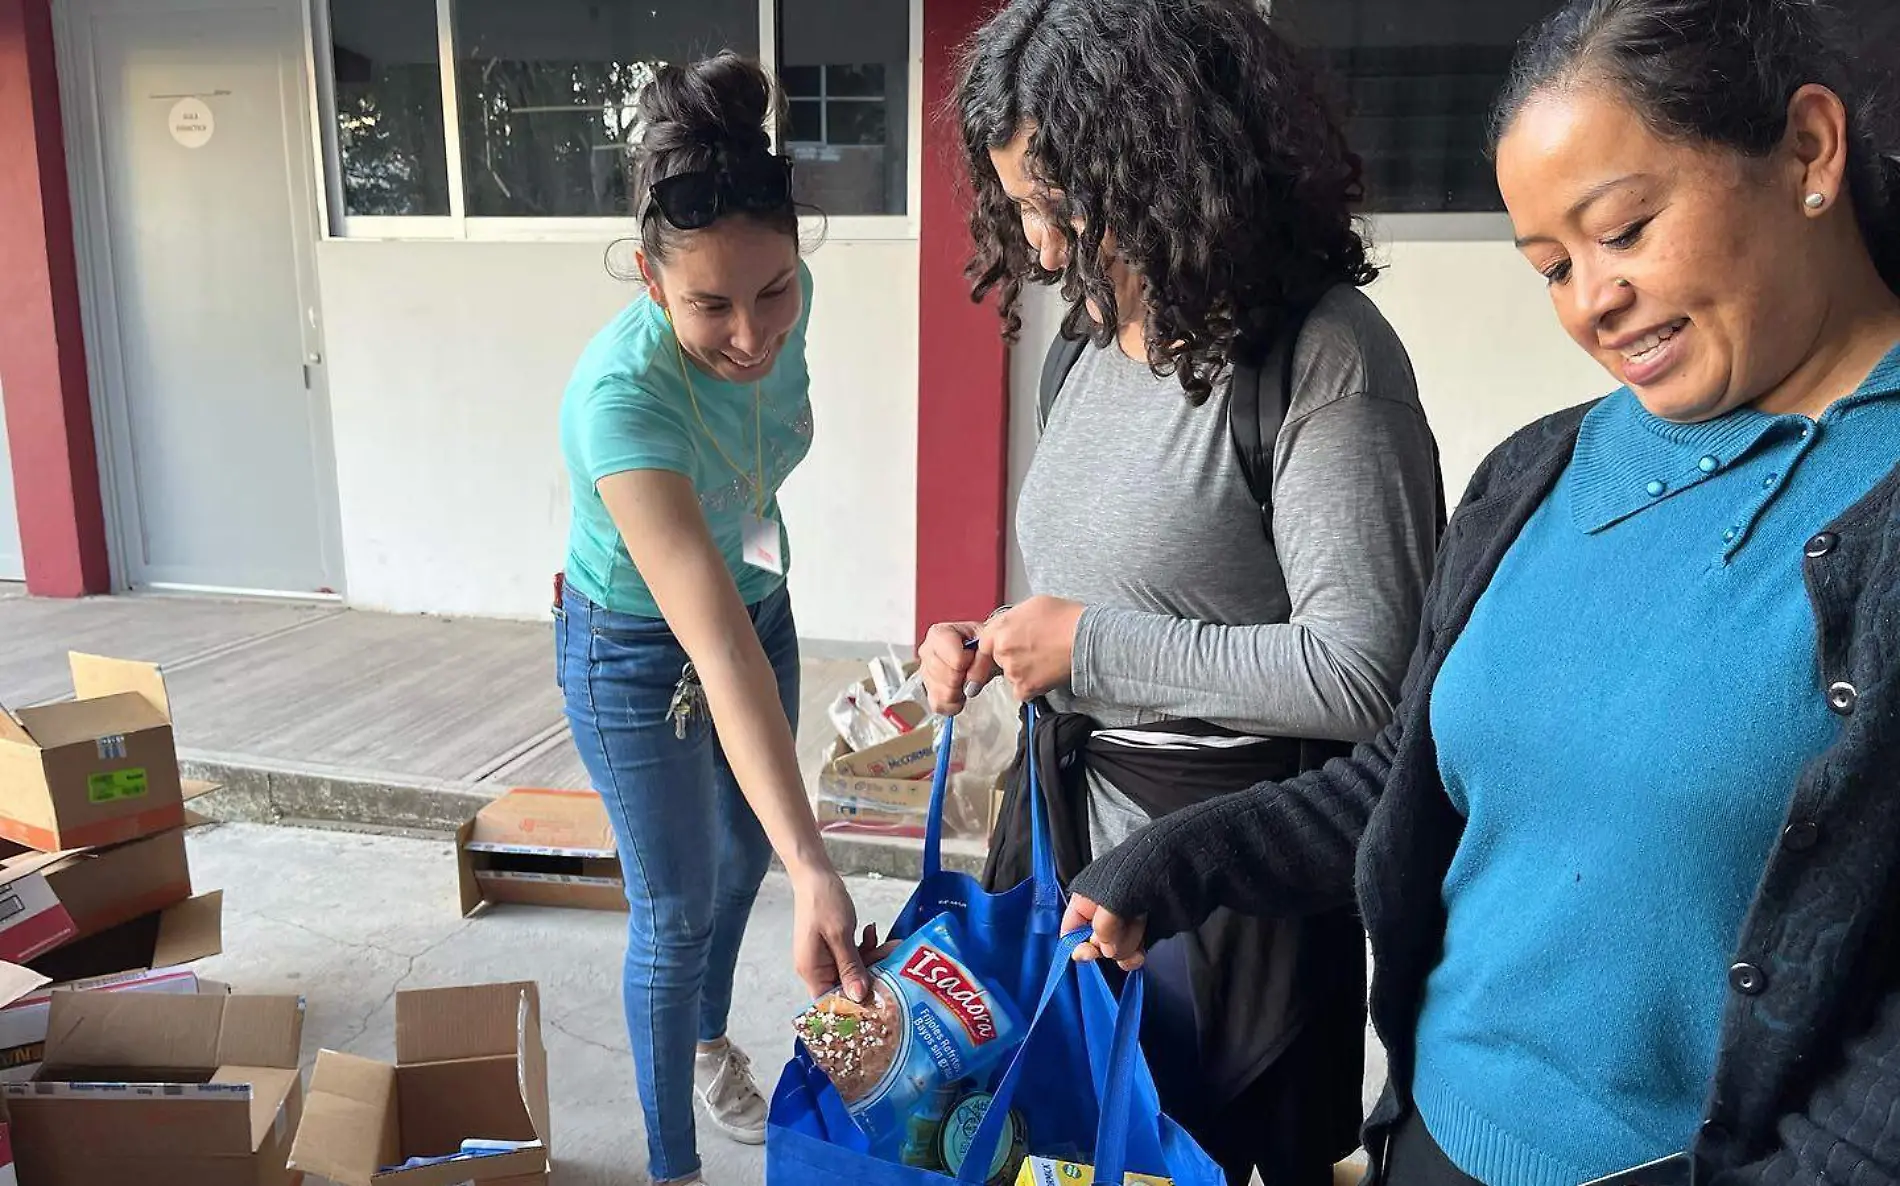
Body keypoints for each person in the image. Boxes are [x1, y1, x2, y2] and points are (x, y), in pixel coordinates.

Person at [1062, 0, 1900, 1181]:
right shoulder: (1536, 471)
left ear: (1808, 151)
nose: (1590, 301)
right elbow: (1405, 781)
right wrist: (1176, 861)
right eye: (1551, 267)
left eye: (1624, 230)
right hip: (1426, 1139)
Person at [917, 2, 1444, 1182]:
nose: (1043, 251)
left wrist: (1090, 647)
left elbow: (1366, 677)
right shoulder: (1084, 344)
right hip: (1063, 848)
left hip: (1226, 887)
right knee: (1050, 1147)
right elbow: (1103, 574)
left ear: (1170, 171)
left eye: (1063, 209)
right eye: (1018, 211)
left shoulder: (1327, 362)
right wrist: (998, 637)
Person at [554, 52, 871, 1186]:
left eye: (774, 289)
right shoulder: (618, 403)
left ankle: (698, 1043)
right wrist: (820, 862)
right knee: (677, 906)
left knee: (741, 862)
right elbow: (711, 647)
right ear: (648, 276)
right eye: (710, 306)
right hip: (637, 651)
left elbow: (746, 526)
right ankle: (671, 1163)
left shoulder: (784, 297)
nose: (752, 334)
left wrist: (791, 859)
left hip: (758, 595)